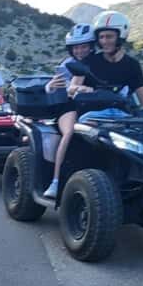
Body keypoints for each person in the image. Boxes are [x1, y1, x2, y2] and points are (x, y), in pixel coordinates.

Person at [44, 10, 143, 198]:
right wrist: (84, 89)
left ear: (120, 37)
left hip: (123, 117)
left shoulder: (132, 65)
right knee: (77, 138)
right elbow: (72, 87)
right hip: (92, 115)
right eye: (102, 37)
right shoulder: (90, 61)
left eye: (109, 37)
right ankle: (58, 181)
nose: (105, 41)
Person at [41, 23, 95, 197]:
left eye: (84, 46)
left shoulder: (99, 62)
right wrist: (50, 86)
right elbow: (55, 86)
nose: (80, 51)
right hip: (69, 106)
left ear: (91, 46)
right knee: (69, 132)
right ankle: (55, 182)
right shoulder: (67, 64)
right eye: (76, 47)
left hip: (94, 106)